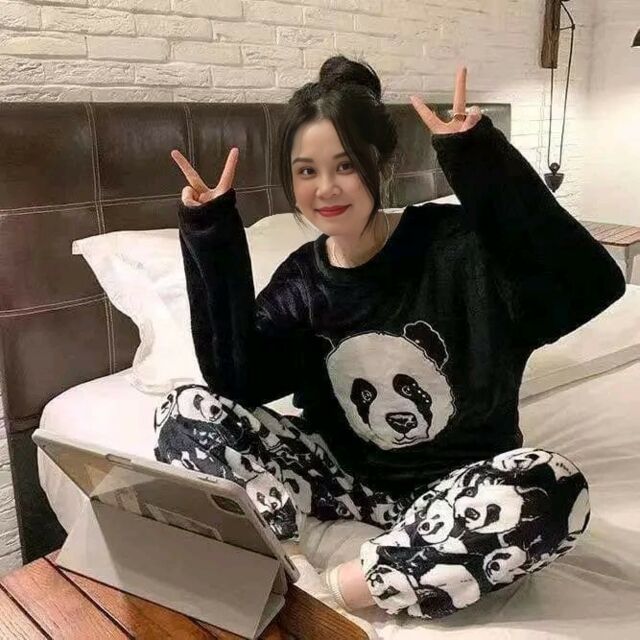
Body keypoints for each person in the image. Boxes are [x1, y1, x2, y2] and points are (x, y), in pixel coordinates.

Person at [153, 55, 626, 619]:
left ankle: (346, 583)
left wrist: (480, 161)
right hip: (343, 485)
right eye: (306, 171)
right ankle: (338, 554)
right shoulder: (303, 281)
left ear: (381, 163)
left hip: (457, 496)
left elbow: (591, 285)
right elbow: (236, 380)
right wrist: (211, 232)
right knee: (184, 413)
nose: (327, 188)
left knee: (554, 488)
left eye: (345, 165)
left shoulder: (460, 249)